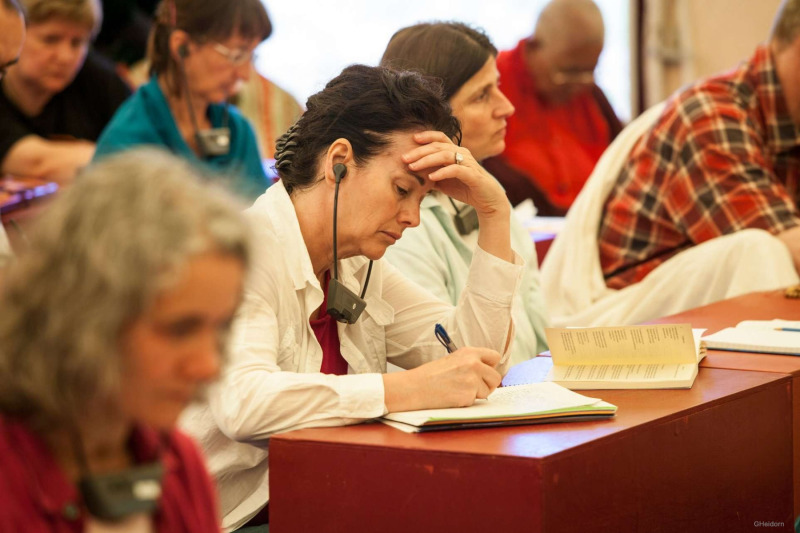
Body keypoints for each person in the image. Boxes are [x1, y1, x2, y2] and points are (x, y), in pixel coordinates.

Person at [180, 64, 523, 531]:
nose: (412, 218)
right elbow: (246, 403)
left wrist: (494, 211)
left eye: (422, 199)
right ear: (338, 161)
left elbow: (475, 358)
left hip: (314, 505)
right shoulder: (243, 250)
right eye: (402, 190)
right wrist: (407, 388)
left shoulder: (357, 265)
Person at [0, 148, 251, 530]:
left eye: (221, 328)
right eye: (179, 329)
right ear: (85, 312)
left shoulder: (179, 462)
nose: (208, 365)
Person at [540, 0, 800, 327]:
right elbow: (789, 247)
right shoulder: (711, 115)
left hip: (689, 314)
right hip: (621, 317)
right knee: (758, 251)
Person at [380, 21, 550, 365]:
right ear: (428, 118)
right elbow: (450, 361)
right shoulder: (401, 224)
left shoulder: (489, 192)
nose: (506, 108)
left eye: (497, 87)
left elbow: (537, 331)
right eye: (482, 96)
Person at [94, 0, 271, 202]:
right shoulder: (127, 142)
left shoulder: (238, 131)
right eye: (237, 54)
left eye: (251, 55)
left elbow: (262, 222)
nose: (245, 74)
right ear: (181, 47)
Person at [482, 0, 622, 214]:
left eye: (589, 71)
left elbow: (625, 157)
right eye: (568, 72)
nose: (578, 85)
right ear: (533, 46)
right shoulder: (493, 85)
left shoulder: (591, 94)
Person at [0, 0, 131, 183]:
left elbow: (150, 145)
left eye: (77, 43)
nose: (65, 57)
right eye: (50, 39)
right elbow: (35, 163)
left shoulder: (99, 79)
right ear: (15, 34)